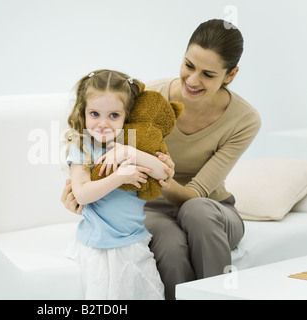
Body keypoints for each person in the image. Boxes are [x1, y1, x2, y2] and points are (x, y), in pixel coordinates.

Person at [61, 19, 261, 300]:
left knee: (197, 211)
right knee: (170, 243)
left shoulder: (244, 119)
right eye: (189, 65)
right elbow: (103, 141)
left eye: (208, 74)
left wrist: (156, 171)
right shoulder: (148, 96)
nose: (192, 80)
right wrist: (81, 186)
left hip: (213, 211)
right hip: (150, 207)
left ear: (230, 75)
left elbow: (195, 194)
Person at [64, 69, 167, 300]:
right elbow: (81, 194)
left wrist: (128, 152)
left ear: (125, 115)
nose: (103, 124)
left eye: (113, 115)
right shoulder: (82, 146)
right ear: (83, 112)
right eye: (94, 114)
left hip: (134, 239)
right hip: (99, 245)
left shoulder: (130, 142)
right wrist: (121, 176)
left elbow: (162, 171)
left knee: (149, 293)